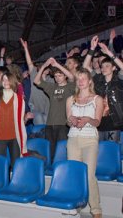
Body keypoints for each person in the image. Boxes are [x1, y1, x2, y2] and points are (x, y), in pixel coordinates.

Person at [66, 68, 103, 218]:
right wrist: (72, 120)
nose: (80, 81)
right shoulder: (70, 99)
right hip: (73, 139)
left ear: (89, 81)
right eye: (78, 79)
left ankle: (96, 210)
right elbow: (68, 121)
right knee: (75, 174)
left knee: (89, 175)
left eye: (83, 78)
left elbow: (97, 122)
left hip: (90, 140)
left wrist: (87, 120)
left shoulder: (97, 99)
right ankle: (76, 206)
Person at [34, 57, 75, 161]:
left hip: (63, 124)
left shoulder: (70, 87)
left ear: (65, 75)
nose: (57, 78)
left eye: (60, 75)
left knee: (61, 153)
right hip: (50, 124)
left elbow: (72, 77)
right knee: (51, 153)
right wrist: (44, 66)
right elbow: (36, 81)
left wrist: (56, 65)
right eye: (55, 76)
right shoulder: (52, 87)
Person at [83, 37, 123, 142]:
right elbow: (85, 66)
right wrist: (92, 48)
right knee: (100, 152)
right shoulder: (98, 79)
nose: (103, 68)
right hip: (99, 121)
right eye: (102, 66)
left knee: (111, 151)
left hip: (115, 122)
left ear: (113, 68)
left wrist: (109, 53)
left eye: (107, 66)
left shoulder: (119, 80)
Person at [0, 72, 28, 168]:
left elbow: (21, 122)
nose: (5, 82)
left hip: (14, 137)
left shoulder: (20, 100)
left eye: (8, 79)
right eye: (3, 80)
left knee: (16, 166)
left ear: (12, 81)